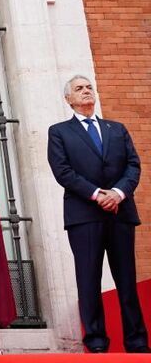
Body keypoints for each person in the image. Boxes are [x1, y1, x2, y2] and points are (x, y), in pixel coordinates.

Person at [48, 75, 150, 353]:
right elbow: (63, 171)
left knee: (127, 279)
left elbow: (133, 165)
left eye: (89, 86)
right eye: (78, 88)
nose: (85, 91)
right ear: (68, 99)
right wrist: (97, 194)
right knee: (89, 279)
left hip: (120, 212)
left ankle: (137, 342)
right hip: (85, 214)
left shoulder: (116, 129)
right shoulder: (59, 132)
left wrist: (117, 194)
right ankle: (95, 343)